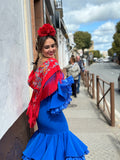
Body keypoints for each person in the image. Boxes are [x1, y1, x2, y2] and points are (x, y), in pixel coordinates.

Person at [22, 23, 89, 160]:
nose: (51, 49)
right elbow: (52, 89)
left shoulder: (40, 64)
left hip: (42, 110)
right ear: (40, 48)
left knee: (49, 140)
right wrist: (64, 82)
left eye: (53, 46)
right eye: (47, 47)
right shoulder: (52, 64)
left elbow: (36, 84)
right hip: (49, 112)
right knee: (61, 135)